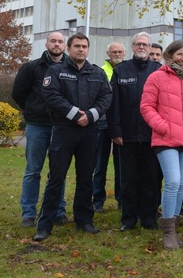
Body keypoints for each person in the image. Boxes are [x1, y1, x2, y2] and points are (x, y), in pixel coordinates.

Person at [33, 33, 112, 241]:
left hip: (89, 132)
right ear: (69, 49)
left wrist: (92, 115)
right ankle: (45, 225)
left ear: (88, 49)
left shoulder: (97, 73)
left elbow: (106, 97)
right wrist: (75, 114)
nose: (81, 49)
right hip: (64, 131)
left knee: (86, 179)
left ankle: (84, 220)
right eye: (77, 46)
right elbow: (50, 95)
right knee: (56, 178)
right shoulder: (56, 71)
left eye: (84, 46)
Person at [140, 40, 183, 249]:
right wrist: (163, 126)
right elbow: (146, 107)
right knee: (173, 182)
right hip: (165, 138)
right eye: (180, 54)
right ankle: (167, 232)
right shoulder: (157, 77)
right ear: (170, 55)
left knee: (180, 184)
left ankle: (174, 228)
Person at [12, 32, 69, 228]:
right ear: (46, 43)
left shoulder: (70, 67)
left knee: (58, 171)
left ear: (65, 45)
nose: (57, 44)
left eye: (60, 41)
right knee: (32, 171)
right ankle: (28, 212)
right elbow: (18, 93)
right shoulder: (31, 67)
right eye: (53, 41)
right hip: (37, 125)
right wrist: (33, 109)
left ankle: (58, 211)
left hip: (61, 126)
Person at [108, 32, 161, 231]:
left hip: (152, 136)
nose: (141, 47)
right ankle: (128, 219)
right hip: (127, 136)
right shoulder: (121, 70)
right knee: (128, 179)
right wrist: (115, 131)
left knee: (151, 179)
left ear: (150, 48)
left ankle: (149, 219)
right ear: (132, 47)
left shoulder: (158, 70)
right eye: (138, 44)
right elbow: (114, 105)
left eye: (145, 45)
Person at [93, 42, 125, 213]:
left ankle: (121, 199)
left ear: (124, 53)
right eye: (114, 52)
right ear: (108, 53)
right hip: (102, 123)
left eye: (120, 51)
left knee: (121, 165)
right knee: (100, 164)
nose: (117, 54)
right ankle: (97, 200)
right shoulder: (99, 71)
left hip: (121, 124)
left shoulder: (127, 71)